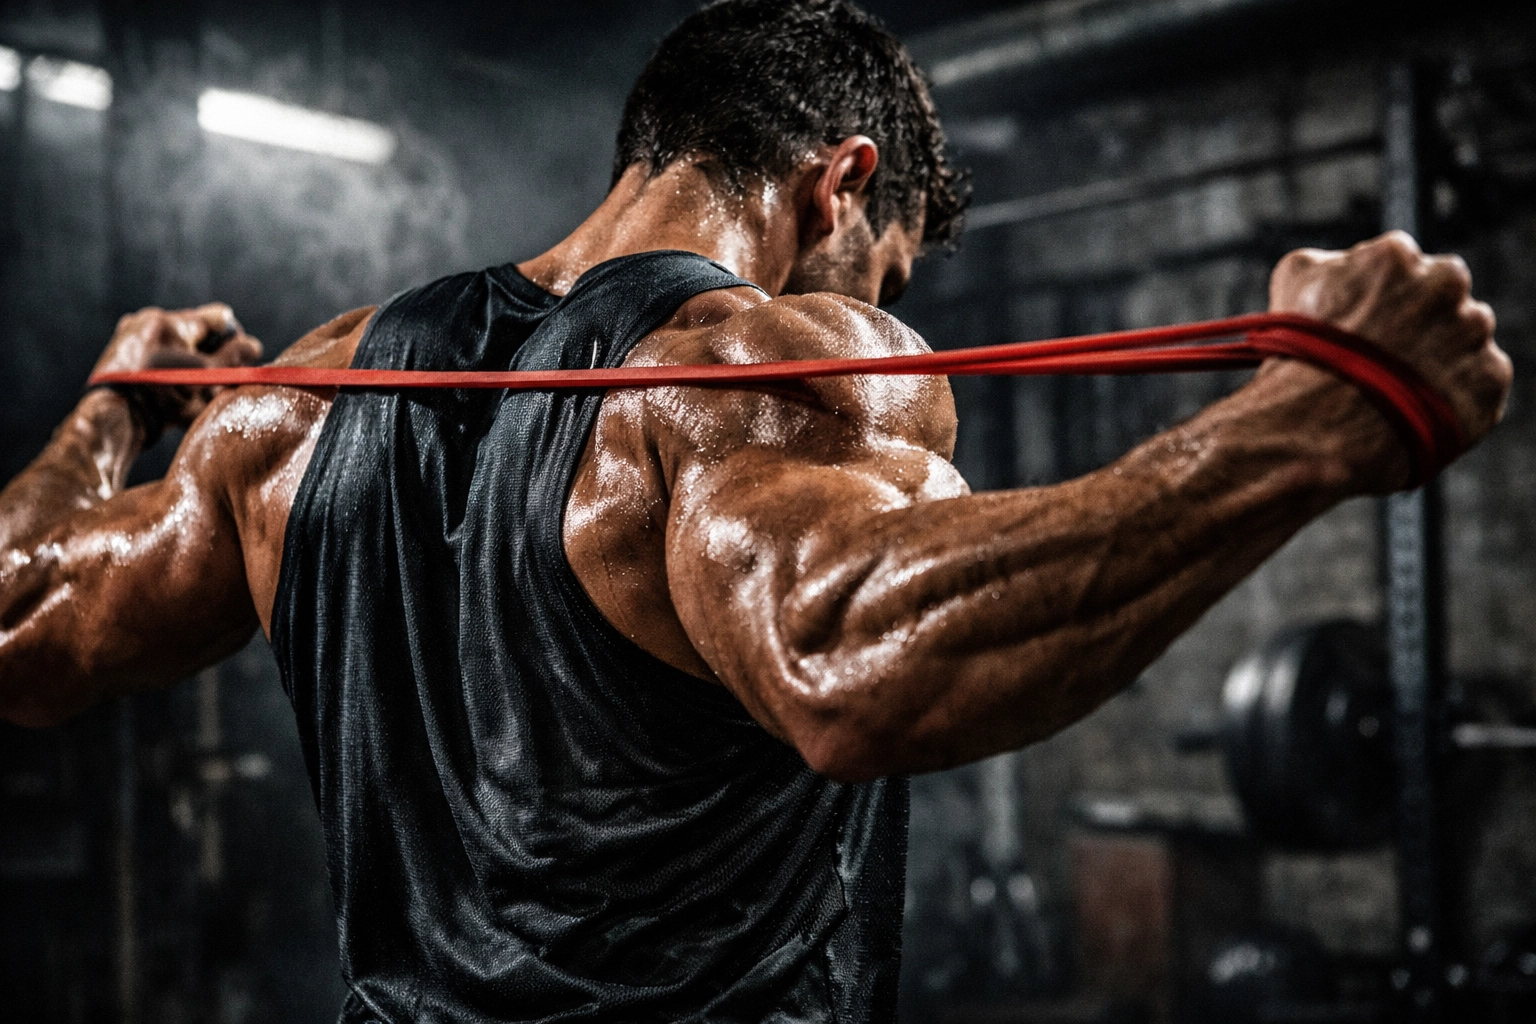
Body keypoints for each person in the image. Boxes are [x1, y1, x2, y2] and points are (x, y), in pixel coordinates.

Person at [0, 0, 1511, 1021]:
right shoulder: (762, 356)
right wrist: (1313, 424)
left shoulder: (301, 402)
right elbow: (852, 658)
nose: (880, 319)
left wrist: (110, 408)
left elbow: (27, 617)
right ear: (837, 185)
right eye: (888, 273)